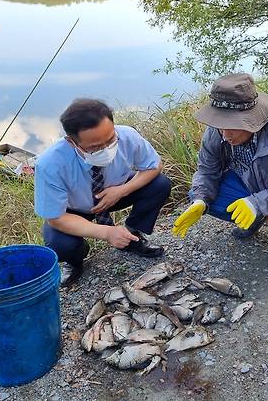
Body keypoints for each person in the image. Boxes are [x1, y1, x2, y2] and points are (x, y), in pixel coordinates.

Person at [171, 73, 268, 274]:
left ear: (253, 119)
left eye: (233, 127)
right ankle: (256, 218)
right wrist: (200, 200)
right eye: (221, 126)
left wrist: (256, 202)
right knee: (206, 198)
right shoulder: (216, 132)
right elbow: (207, 171)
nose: (226, 135)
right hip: (249, 180)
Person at [34, 98, 171, 287]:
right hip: (75, 209)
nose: (106, 149)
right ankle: (75, 262)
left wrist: (123, 190)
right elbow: (55, 218)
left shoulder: (128, 136)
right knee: (60, 245)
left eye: (110, 140)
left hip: (116, 193)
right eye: (95, 147)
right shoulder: (50, 164)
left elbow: (153, 166)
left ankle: (132, 235)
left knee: (160, 184)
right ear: (72, 142)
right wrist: (107, 232)